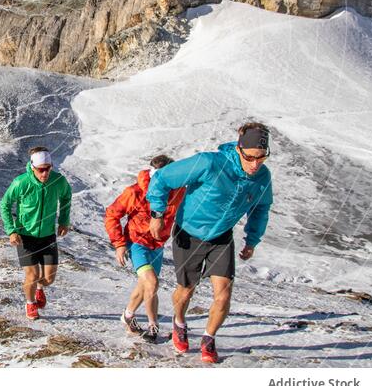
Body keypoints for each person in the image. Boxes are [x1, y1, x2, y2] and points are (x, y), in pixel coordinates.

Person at [146, 122, 274, 363]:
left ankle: (208, 338)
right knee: (186, 290)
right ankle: (179, 322)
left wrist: (252, 240)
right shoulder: (209, 163)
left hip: (221, 237)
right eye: (250, 157)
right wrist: (157, 214)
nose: (256, 164)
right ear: (239, 149)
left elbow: (261, 209)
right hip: (189, 233)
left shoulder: (262, 177)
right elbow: (162, 179)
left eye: (262, 158)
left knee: (224, 295)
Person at [104, 155, 186, 343]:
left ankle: (128, 315)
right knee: (152, 283)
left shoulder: (178, 191)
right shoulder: (134, 192)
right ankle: (152, 327)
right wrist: (119, 244)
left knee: (145, 287)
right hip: (137, 243)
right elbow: (112, 214)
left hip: (157, 246)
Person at [0, 146, 73, 320]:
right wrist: (11, 230)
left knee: (48, 279)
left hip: (48, 236)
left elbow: (66, 197)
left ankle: (39, 288)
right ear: (33, 167)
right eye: (41, 170)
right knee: (32, 275)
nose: (45, 173)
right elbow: (5, 204)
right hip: (26, 236)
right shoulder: (21, 182)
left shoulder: (59, 181)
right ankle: (30, 303)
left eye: (48, 168)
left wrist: (64, 220)